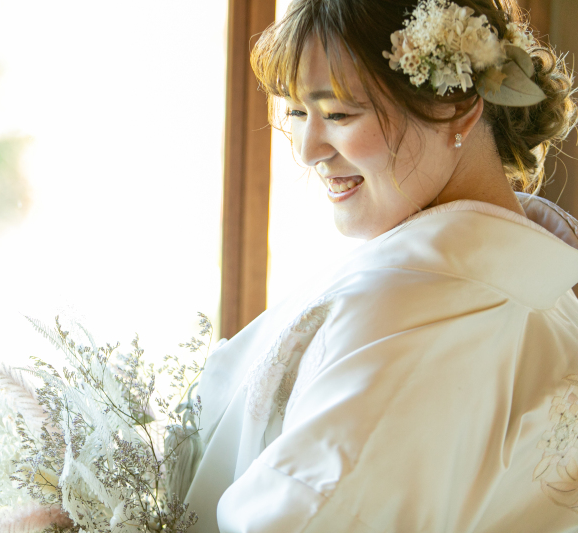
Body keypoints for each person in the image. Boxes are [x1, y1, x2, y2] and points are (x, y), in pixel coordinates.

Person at [183, 1, 578, 531]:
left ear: (456, 107)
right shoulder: (543, 284)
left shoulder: (418, 309)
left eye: (339, 114)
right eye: (297, 112)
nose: (307, 150)